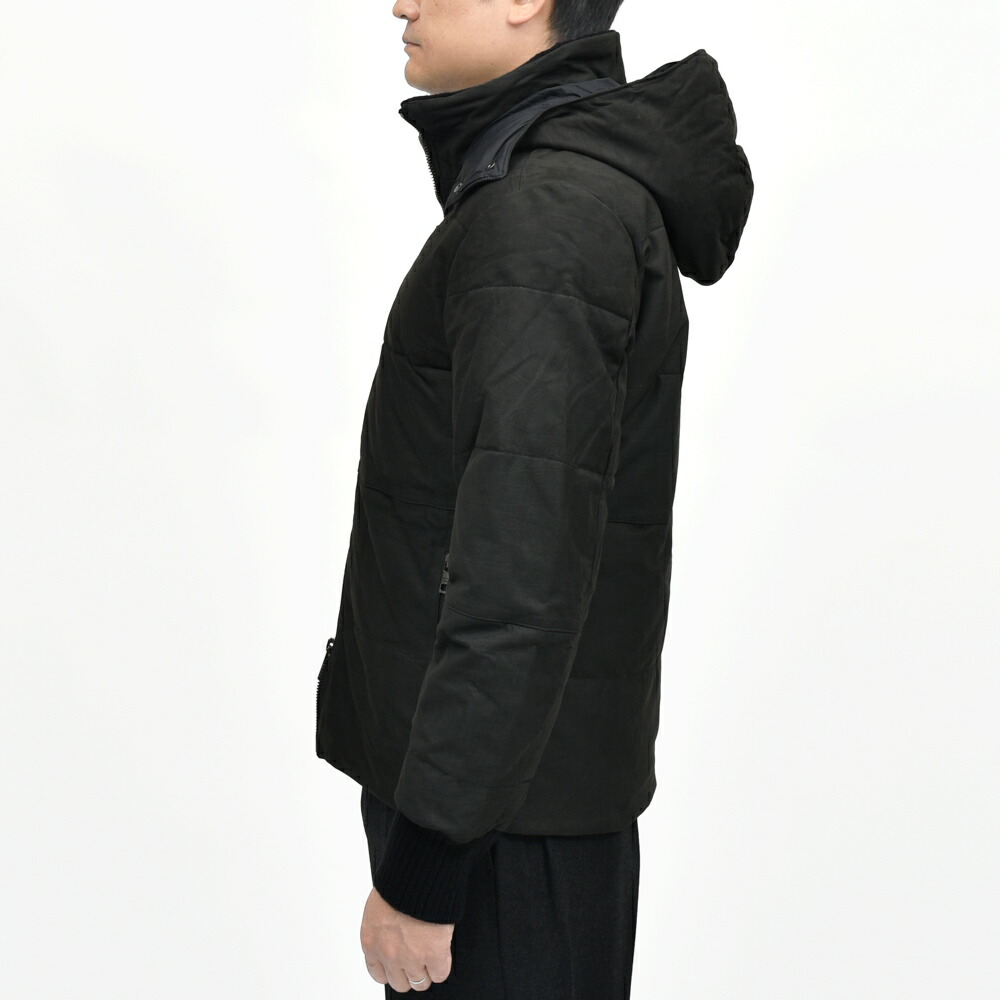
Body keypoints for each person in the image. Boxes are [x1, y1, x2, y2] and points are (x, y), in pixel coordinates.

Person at [314, 0, 753, 994]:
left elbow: (521, 565)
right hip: (508, 806)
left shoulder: (547, 215)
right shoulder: (546, 193)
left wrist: (427, 867)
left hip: (500, 832)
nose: (402, 3)